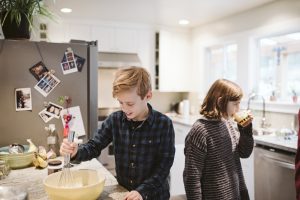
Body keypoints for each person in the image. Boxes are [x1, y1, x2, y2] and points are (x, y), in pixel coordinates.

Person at [60, 66, 175, 200]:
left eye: (130, 103)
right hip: (125, 193)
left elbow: (164, 166)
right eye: (120, 103)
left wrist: (142, 191)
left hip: (154, 195)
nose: (124, 108)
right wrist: (76, 152)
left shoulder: (164, 124)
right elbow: (94, 146)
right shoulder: (115, 120)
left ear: (148, 96)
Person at [183, 79, 254, 200]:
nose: (238, 108)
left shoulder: (228, 124)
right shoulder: (200, 131)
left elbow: (244, 153)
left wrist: (246, 130)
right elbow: (192, 177)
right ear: (221, 102)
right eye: (235, 104)